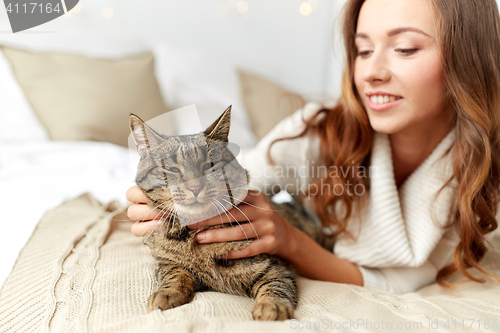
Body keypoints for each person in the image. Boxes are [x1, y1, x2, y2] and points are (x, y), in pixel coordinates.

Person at [126, 0, 500, 294]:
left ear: (468, 58)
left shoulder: (479, 174)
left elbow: (394, 283)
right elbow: (246, 175)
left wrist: (291, 241)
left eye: (404, 48)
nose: (371, 72)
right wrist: (155, 202)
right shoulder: (320, 128)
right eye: (363, 50)